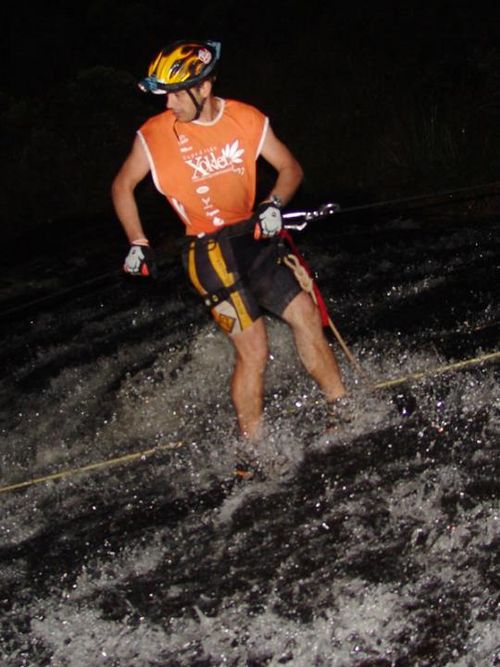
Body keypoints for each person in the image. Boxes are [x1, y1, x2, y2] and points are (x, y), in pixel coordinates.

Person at [111, 39, 346, 449]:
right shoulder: (153, 136)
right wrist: (137, 241)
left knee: (306, 315)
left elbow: (289, 167)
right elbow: (122, 186)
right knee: (254, 349)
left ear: (203, 88)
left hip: (253, 236)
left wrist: (274, 203)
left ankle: (341, 408)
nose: (168, 104)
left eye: (175, 94)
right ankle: (253, 448)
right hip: (206, 253)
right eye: (163, 94)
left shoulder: (247, 119)